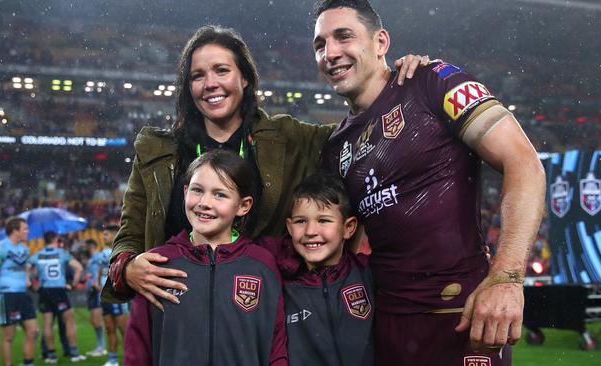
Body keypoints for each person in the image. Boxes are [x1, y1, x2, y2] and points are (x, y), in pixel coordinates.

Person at [100, 25, 429, 309]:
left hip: (263, 316)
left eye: (221, 70)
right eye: (197, 75)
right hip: (177, 315)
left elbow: (359, 134)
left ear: (244, 78)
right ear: (188, 87)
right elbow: (129, 233)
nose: (210, 83)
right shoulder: (157, 151)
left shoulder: (290, 138)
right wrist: (126, 269)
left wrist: (397, 84)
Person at [313, 0, 546, 365]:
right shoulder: (335, 148)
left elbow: (525, 164)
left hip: (462, 318)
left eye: (344, 36)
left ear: (381, 42)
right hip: (385, 329)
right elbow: (349, 246)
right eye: (320, 44)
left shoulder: (434, 81)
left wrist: (507, 277)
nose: (331, 53)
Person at [125, 150, 288, 365]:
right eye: (197, 190)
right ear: (185, 192)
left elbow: (276, 347)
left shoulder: (262, 264)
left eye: (220, 194)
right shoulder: (155, 263)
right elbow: (137, 349)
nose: (204, 202)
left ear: (243, 205)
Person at [260, 173, 373, 366]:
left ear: (349, 227)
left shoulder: (368, 273)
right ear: (289, 227)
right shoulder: (278, 284)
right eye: (300, 221)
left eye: (324, 221)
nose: (311, 231)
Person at [0, 217, 39, 366]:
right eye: (25, 229)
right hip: (6, 295)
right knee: (8, 336)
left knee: (33, 331)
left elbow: (24, 270)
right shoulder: (0, 247)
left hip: (23, 295)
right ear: (14, 230)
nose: (28, 232)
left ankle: (27, 363)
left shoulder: (24, 249)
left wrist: (28, 281)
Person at [28, 231, 86, 363]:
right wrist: (73, 284)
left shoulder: (37, 255)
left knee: (47, 324)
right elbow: (79, 268)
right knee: (69, 322)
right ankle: (74, 354)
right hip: (59, 290)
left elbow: (27, 269)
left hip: (44, 290)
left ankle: (52, 356)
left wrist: (31, 284)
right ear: (55, 239)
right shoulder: (62, 253)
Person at [99, 225, 128, 366]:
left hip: (117, 295)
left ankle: (131, 358)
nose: (103, 237)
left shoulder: (120, 252)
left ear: (113, 235)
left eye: (105, 234)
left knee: (124, 329)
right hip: (105, 296)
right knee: (109, 328)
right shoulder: (102, 252)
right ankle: (112, 359)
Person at [84, 239, 107, 357]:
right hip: (91, 291)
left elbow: (102, 270)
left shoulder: (98, 256)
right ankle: (99, 346)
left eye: (86, 245)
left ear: (91, 246)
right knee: (94, 321)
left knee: (98, 320)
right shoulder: (90, 259)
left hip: (97, 290)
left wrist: (97, 283)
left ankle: (102, 347)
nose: (84, 248)